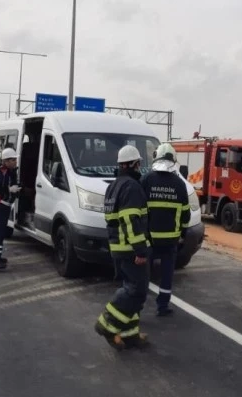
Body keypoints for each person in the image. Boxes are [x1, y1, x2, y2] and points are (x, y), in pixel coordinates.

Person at [94, 145, 151, 350]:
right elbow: (130, 220)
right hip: (130, 248)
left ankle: (129, 334)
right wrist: (140, 250)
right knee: (137, 291)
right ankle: (107, 324)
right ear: (135, 164)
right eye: (139, 164)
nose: (140, 167)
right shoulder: (132, 187)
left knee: (130, 288)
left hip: (118, 246)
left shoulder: (114, 185)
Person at [141, 143, 191, 316]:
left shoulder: (146, 179)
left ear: (157, 157)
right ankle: (163, 306)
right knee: (167, 273)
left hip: (149, 239)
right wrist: (183, 233)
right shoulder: (179, 184)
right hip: (171, 240)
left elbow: (139, 209)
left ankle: (138, 304)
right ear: (173, 160)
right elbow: (186, 214)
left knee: (144, 272)